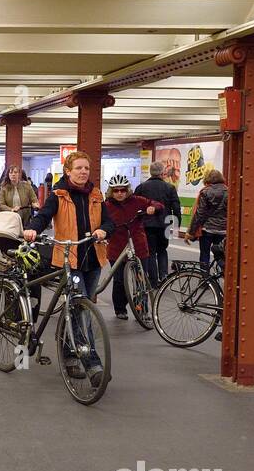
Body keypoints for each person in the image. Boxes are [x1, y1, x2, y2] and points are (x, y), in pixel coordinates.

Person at [23, 152, 115, 382]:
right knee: (81, 309)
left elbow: (108, 221)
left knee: (77, 308)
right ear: (68, 171)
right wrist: (33, 229)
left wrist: (104, 230)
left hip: (93, 259)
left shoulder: (96, 194)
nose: (84, 172)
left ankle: (69, 356)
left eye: (86, 168)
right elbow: (43, 215)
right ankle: (93, 365)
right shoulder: (58, 194)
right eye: (79, 168)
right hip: (70, 259)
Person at [101, 174, 164, 320]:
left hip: (138, 245)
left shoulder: (137, 201)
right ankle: (120, 309)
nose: (120, 193)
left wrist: (152, 208)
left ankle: (142, 309)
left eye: (123, 190)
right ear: (111, 191)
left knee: (141, 279)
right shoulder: (107, 206)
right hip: (116, 248)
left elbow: (158, 204)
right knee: (119, 280)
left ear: (127, 190)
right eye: (116, 191)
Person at [134, 161, 182, 287]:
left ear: (151, 172)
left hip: (147, 224)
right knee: (162, 250)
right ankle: (164, 276)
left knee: (150, 252)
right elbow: (176, 208)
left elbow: (134, 207)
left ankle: (153, 280)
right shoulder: (170, 188)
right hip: (165, 224)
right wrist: (176, 225)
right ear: (162, 173)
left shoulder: (141, 187)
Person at [186, 168, 227, 271]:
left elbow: (200, 214)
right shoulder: (228, 191)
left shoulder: (205, 192)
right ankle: (225, 275)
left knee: (204, 254)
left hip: (207, 230)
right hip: (223, 229)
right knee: (221, 254)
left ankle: (205, 279)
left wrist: (191, 232)